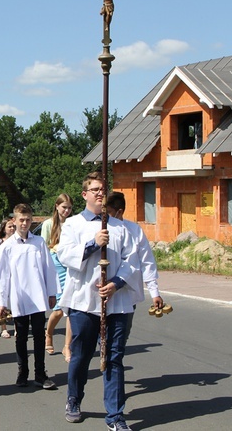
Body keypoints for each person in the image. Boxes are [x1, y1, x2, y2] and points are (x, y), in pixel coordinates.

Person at [57, 172, 137, 428]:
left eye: (103, 189)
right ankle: (74, 397)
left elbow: (131, 262)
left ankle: (115, 415)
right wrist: (93, 243)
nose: (100, 193)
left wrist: (116, 284)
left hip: (116, 302)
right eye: (95, 189)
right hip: (84, 302)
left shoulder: (120, 227)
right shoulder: (72, 225)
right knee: (81, 354)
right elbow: (66, 256)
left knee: (114, 357)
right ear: (85, 194)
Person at [0, 203, 58, 390]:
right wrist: (1, 301)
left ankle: (40, 373)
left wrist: (51, 292)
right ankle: (23, 372)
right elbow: (2, 275)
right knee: (21, 336)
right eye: (21, 220)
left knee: (39, 335)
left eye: (28, 220)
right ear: (14, 221)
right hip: (18, 297)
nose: (25, 223)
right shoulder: (7, 246)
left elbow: (48, 269)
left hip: (37, 296)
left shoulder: (38, 243)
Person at [104, 191, 164, 341]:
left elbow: (146, 261)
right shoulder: (99, 229)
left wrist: (154, 292)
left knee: (120, 339)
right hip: (101, 293)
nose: (104, 217)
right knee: (100, 338)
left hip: (126, 295)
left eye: (109, 213)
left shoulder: (134, 231)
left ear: (119, 212)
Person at [43, 193, 75, 362]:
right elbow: (44, 248)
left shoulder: (73, 223)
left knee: (70, 307)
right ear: (57, 206)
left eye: (69, 208)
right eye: (64, 207)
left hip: (71, 264)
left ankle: (67, 346)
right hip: (56, 263)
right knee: (59, 309)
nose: (67, 211)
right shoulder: (49, 224)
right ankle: (48, 333)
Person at [0, 217, 16, 338]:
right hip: (2, 274)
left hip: (14, 274)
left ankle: (17, 327)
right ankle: (3, 327)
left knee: (15, 301)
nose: (12, 228)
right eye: (9, 226)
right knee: (2, 300)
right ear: (4, 228)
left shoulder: (18, 240)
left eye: (13, 226)